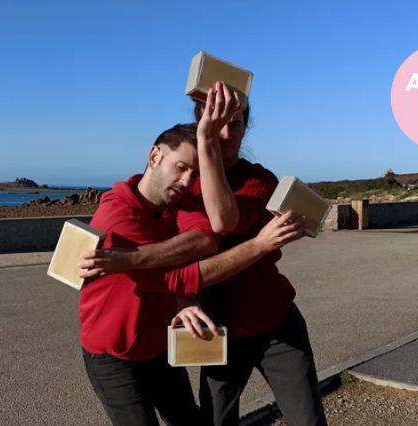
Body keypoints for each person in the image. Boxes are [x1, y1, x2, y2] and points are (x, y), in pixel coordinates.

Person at [82, 82, 326, 425]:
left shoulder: (256, 180)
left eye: (236, 124)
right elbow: (173, 252)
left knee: (307, 420)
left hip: (274, 322)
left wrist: (207, 139)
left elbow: (220, 225)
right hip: (217, 328)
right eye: (216, 122)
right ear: (200, 120)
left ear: (246, 129)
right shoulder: (184, 187)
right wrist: (184, 296)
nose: (226, 133)